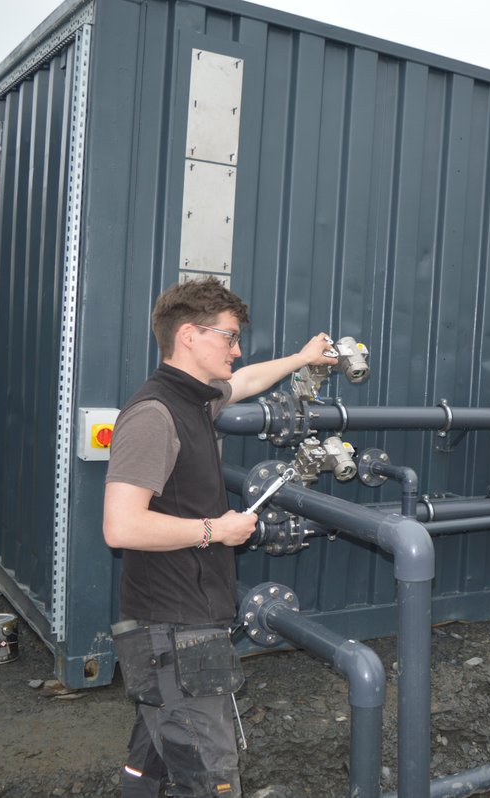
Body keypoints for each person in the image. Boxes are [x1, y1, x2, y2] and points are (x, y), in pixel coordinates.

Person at [102, 277, 337, 797]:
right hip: (174, 629)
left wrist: (300, 360)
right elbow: (121, 525)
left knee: (153, 758)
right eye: (229, 337)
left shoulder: (194, 400)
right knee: (210, 775)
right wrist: (218, 530)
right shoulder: (154, 415)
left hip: (181, 620)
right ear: (189, 335)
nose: (237, 349)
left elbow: (248, 380)